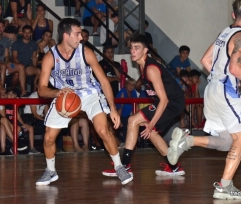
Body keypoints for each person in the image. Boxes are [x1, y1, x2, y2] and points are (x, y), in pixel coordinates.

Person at [167, 0, 241, 200]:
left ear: (233, 15)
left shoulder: (224, 33)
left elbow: (205, 60)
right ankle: (224, 187)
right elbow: (234, 67)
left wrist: (222, 77)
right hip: (225, 91)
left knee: (226, 142)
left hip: (212, 89)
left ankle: (187, 141)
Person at [35, 18, 132, 186]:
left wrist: (113, 109)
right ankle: (51, 171)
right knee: (49, 138)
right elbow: (41, 89)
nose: (81, 37)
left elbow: (104, 81)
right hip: (65, 96)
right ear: (66, 35)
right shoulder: (50, 57)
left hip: (90, 94)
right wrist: (58, 92)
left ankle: (119, 166)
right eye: (77, 34)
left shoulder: (86, 52)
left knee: (103, 130)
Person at [102, 34, 186, 178]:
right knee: (149, 131)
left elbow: (164, 100)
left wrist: (151, 123)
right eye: (131, 48)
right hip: (167, 102)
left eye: (137, 48)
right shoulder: (143, 66)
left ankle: (125, 166)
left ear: (146, 50)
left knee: (135, 121)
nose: (133, 51)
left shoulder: (150, 68)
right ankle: (173, 166)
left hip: (171, 103)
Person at [0, 19, 27, 95]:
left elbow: (7, 56)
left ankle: (22, 92)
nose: (0, 28)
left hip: (5, 63)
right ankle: (1, 90)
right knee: (4, 66)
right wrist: (5, 63)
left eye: (2, 27)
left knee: (21, 67)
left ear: (4, 28)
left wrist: (9, 63)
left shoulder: (5, 40)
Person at [4, 87, 40, 154]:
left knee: (31, 128)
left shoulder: (15, 103)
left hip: (16, 122)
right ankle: (14, 146)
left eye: (13, 94)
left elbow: (17, 116)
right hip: (9, 123)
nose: (11, 96)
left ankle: (32, 148)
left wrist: (23, 124)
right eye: (9, 94)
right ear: (6, 95)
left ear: (15, 96)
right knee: (18, 128)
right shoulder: (4, 103)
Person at [12, 25, 40, 91]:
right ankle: (12, 89)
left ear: (31, 34)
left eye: (28, 32)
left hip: (27, 66)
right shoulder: (16, 43)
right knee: (17, 74)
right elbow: (14, 58)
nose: (27, 34)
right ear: (22, 33)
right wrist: (22, 67)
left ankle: (34, 91)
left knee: (40, 71)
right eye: (25, 32)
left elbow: (34, 57)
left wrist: (34, 66)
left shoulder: (34, 44)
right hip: (13, 65)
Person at [115, 78, 138, 144]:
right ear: (126, 85)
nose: (131, 86)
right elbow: (119, 108)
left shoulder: (134, 92)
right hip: (120, 115)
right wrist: (119, 120)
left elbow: (136, 105)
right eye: (129, 84)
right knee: (126, 124)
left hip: (130, 115)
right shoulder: (122, 92)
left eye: (133, 85)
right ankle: (124, 142)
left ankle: (131, 143)